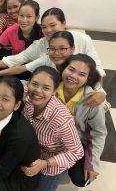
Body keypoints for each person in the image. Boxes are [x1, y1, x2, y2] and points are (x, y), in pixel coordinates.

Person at [0, 7, 106, 107]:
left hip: (80, 89)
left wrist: (100, 93)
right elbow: (18, 61)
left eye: (53, 25)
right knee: (20, 87)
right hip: (54, 91)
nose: (48, 30)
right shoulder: (44, 51)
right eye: (44, 27)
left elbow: (97, 69)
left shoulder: (83, 39)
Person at [21, 66, 84, 191]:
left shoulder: (61, 119)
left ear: (54, 91)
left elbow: (77, 152)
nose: (38, 91)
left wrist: (45, 163)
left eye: (46, 88)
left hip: (52, 161)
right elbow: (2, 88)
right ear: (28, 83)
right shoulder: (26, 94)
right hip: (30, 151)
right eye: (34, 84)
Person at [56, 54, 107, 187]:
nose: (73, 76)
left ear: (87, 78)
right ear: (63, 68)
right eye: (71, 69)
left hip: (76, 140)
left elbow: (99, 132)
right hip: (48, 135)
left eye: (81, 74)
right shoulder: (51, 86)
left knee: (82, 180)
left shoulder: (92, 99)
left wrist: (92, 163)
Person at [0, 0, 43, 73]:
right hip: (15, 68)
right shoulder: (11, 30)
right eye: (21, 16)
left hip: (37, 70)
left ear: (36, 18)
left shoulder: (43, 32)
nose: (24, 20)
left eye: (29, 16)